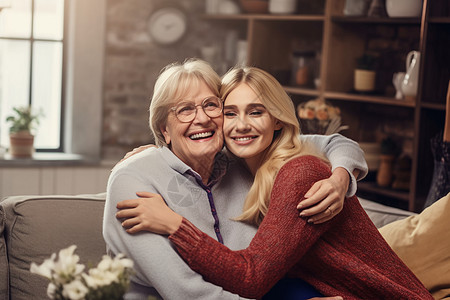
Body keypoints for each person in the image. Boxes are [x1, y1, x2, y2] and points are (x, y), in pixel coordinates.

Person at [116, 66, 433, 299]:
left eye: (256, 112)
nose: (241, 125)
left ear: (277, 119)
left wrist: (175, 225)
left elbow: (251, 276)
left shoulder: (299, 173)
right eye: (229, 113)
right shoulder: (242, 169)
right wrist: (162, 151)